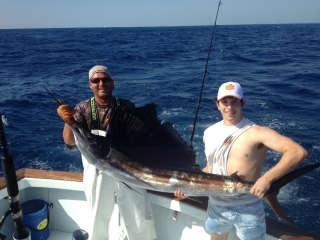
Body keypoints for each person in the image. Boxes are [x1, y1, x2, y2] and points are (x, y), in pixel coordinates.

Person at [174, 82, 308, 240]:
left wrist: (267, 178)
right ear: (217, 104)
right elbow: (212, 167)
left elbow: (297, 152)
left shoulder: (257, 132)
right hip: (216, 205)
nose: (229, 107)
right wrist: (188, 187)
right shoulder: (209, 132)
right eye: (225, 102)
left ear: (242, 103)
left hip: (248, 207)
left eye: (234, 101)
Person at [57, 65, 157, 240]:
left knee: (139, 220)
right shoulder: (82, 109)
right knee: (98, 220)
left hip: (128, 170)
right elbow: (70, 143)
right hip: (97, 173)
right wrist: (69, 122)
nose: (101, 83)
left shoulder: (127, 106)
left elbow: (142, 142)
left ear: (112, 83)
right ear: (90, 85)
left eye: (105, 80)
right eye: (96, 80)